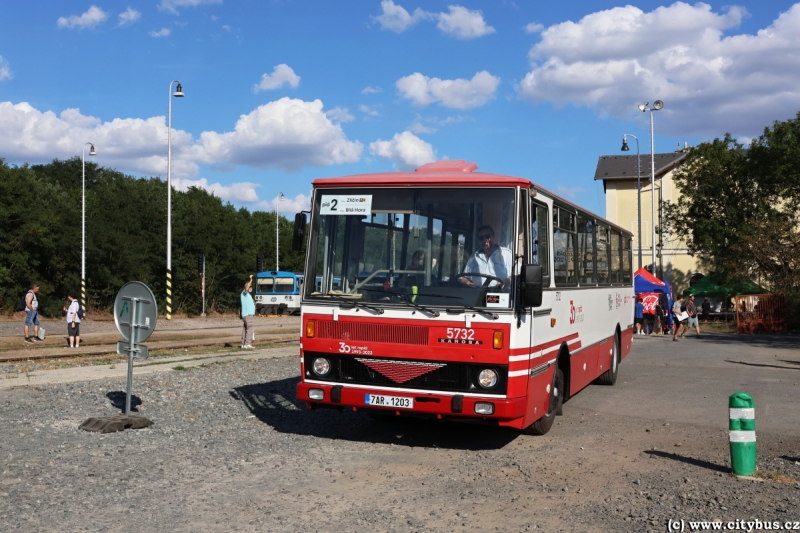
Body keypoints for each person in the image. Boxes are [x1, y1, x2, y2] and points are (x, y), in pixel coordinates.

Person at [460, 225, 513, 290]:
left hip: (501, 296)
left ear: (493, 236)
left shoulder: (507, 254)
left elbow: (519, 276)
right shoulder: (474, 257)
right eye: (481, 238)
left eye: (488, 236)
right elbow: (464, 278)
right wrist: (467, 282)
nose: (485, 240)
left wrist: (506, 282)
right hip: (477, 296)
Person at [240, 275, 256, 349]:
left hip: (248, 314)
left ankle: (243, 343)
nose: (250, 288)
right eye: (250, 286)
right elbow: (246, 288)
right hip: (248, 314)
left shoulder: (248, 295)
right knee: (250, 328)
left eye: (251, 287)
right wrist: (251, 280)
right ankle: (247, 343)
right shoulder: (244, 293)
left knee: (245, 328)